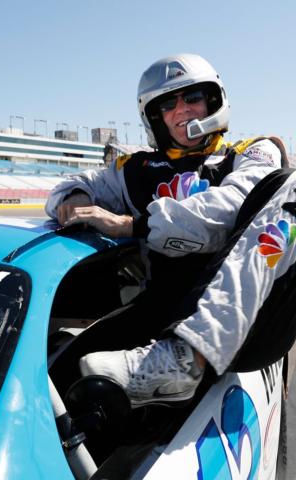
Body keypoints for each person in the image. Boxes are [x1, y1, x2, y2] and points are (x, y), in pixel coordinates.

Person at [45, 53, 296, 407]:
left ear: (212, 101)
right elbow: (70, 186)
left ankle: (190, 356)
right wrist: (75, 197)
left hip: (248, 323)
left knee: (293, 184)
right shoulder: (134, 169)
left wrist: (134, 225)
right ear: (155, 118)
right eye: (168, 103)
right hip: (161, 310)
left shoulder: (254, 153)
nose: (183, 110)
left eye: (192, 97)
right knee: (54, 380)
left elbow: (228, 211)